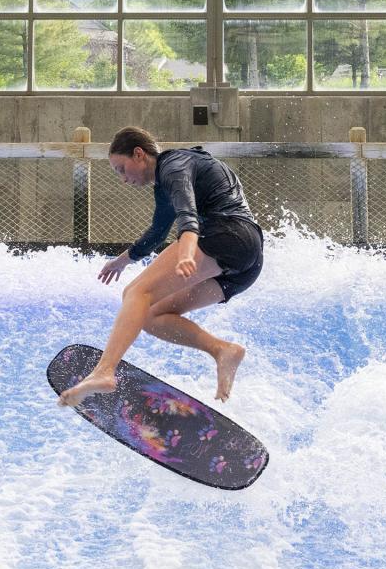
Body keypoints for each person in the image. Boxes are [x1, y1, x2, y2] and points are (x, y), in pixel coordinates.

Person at [58, 126, 264, 407]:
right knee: (151, 314)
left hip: (228, 234)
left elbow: (187, 214)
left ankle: (104, 372)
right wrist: (122, 261)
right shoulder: (165, 183)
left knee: (135, 293)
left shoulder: (174, 166)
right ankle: (223, 350)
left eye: (121, 169)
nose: (123, 179)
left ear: (139, 154)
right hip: (246, 264)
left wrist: (187, 252)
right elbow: (157, 233)